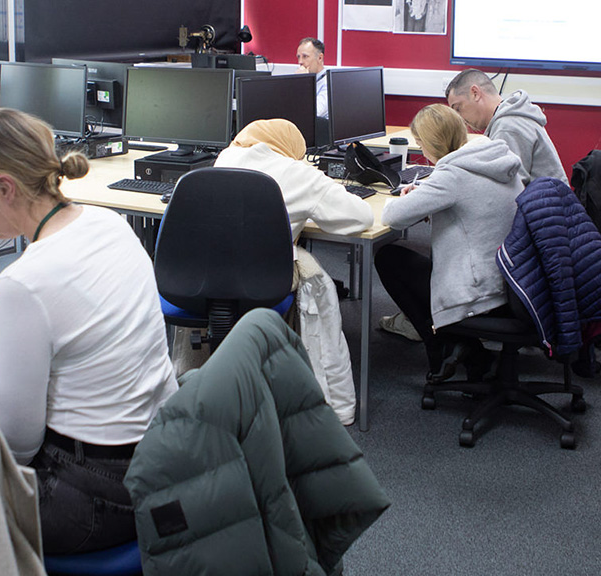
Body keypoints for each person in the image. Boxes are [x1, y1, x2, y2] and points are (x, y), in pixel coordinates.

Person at [0, 108, 178, 554]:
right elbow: (85, 320)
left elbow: (17, 444)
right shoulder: (109, 224)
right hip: (159, 458)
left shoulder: (25, 281)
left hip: (94, 492)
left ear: (4, 187)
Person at [214, 118, 373, 425]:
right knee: (316, 277)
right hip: (266, 277)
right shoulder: (299, 173)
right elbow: (361, 217)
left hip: (205, 274)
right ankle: (333, 402)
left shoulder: (224, 159)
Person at [376, 104, 524, 378]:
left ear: (430, 144)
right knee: (416, 258)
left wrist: (411, 197)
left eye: (420, 143)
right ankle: (463, 348)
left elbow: (393, 217)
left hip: (481, 293)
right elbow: (474, 200)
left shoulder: (452, 175)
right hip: (515, 286)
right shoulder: (496, 159)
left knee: (389, 257)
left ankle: (444, 346)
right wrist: (427, 194)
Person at [445, 68, 567, 184]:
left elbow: (510, 188)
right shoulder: (510, 118)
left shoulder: (507, 127)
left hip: (544, 204)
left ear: (475, 93)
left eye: (458, 108)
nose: (460, 118)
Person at [296, 37, 328, 119]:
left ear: (320, 58)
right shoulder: (308, 79)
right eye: (298, 57)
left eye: (305, 56)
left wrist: (303, 82)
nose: (300, 62)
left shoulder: (328, 82)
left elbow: (315, 113)